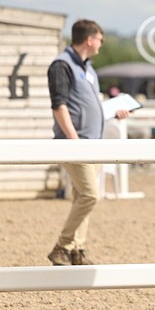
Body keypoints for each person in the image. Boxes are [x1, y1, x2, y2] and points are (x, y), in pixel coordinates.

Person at [46, 19, 129, 265]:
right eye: (101, 40)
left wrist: (115, 111)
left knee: (81, 196)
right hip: (75, 142)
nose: (101, 45)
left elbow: (88, 107)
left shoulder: (88, 69)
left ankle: (76, 249)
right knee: (91, 195)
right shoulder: (61, 66)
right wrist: (74, 140)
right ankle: (62, 245)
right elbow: (58, 105)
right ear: (90, 40)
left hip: (91, 142)